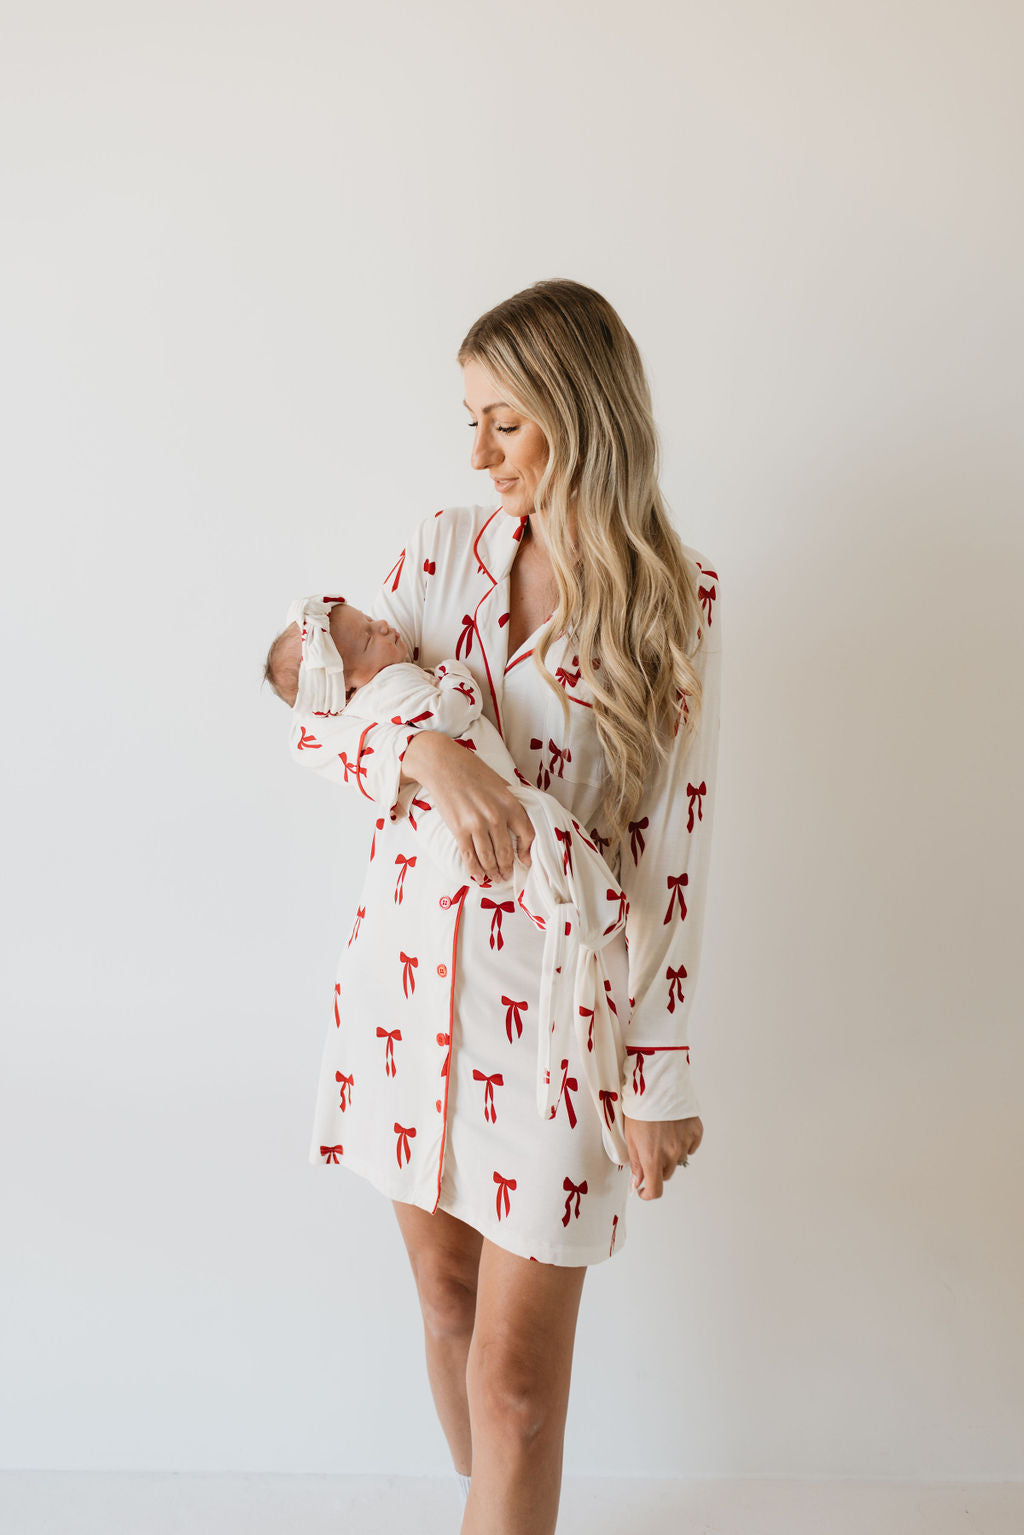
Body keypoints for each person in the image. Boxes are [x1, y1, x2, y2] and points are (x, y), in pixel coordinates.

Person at [275, 279, 723, 1535]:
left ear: (580, 418)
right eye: (469, 418)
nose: (477, 452)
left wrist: (657, 1077)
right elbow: (313, 700)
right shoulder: (438, 547)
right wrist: (435, 755)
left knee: (519, 1390)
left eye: (505, 422)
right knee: (446, 1303)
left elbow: (669, 846)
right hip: (410, 989)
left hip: (556, 1019)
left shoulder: (675, 603)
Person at [264, 595, 635, 1166]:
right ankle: (595, 911)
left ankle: (574, 912)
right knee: (550, 857)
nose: (385, 625)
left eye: (371, 622)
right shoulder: (400, 685)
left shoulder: (366, 699)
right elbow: (448, 711)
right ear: (350, 685)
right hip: (458, 860)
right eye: (368, 636)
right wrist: (449, 692)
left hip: (453, 871)